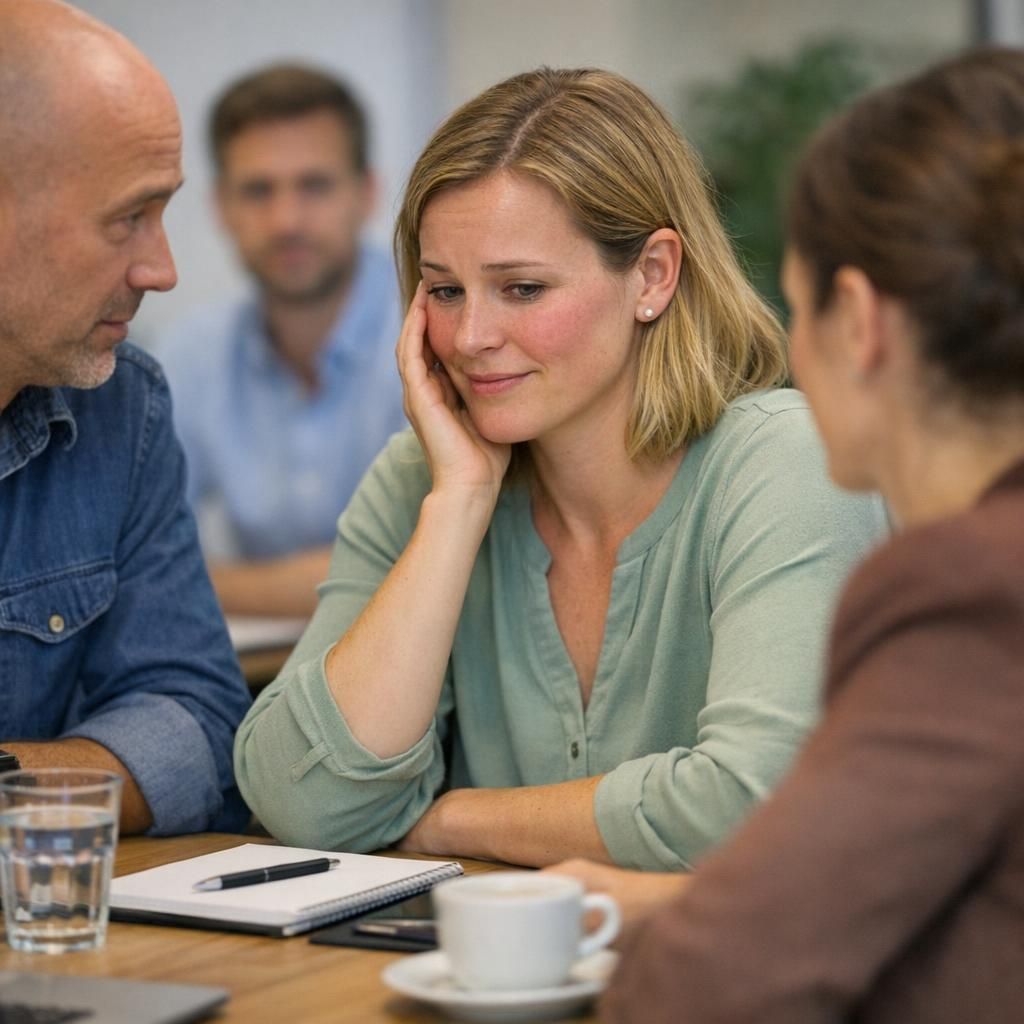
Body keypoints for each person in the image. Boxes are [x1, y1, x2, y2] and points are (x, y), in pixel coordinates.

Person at [234, 68, 886, 868]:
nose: (470, 336)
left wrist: (450, 819)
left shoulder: (783, 463)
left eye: (522, 288)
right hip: (458, 980)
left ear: (652, 275)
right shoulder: (423, 480)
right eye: (443, 290)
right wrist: (460, 504)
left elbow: (756, 807)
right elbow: (298, 802)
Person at [553, 47, 1024, 1023]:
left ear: (857, 322)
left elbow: (712, 985)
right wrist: (695, 903)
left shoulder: (968, 590)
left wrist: (690, 931)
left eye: (797, 305)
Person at [0, 0, 250, 835]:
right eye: (128, 218)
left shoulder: (121, 404)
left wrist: (11, 783)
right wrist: (76, 775)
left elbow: (195, 719)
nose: (163, 268)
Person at [156, 64, 406, 619]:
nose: (286, 220)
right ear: (221, 206)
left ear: (366, 194)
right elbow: (137, 564)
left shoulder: (436, 335)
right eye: (258, 191)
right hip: (261, 684)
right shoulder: (190, 356)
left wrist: (214, 585)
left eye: (314, 185)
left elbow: (425, 566)